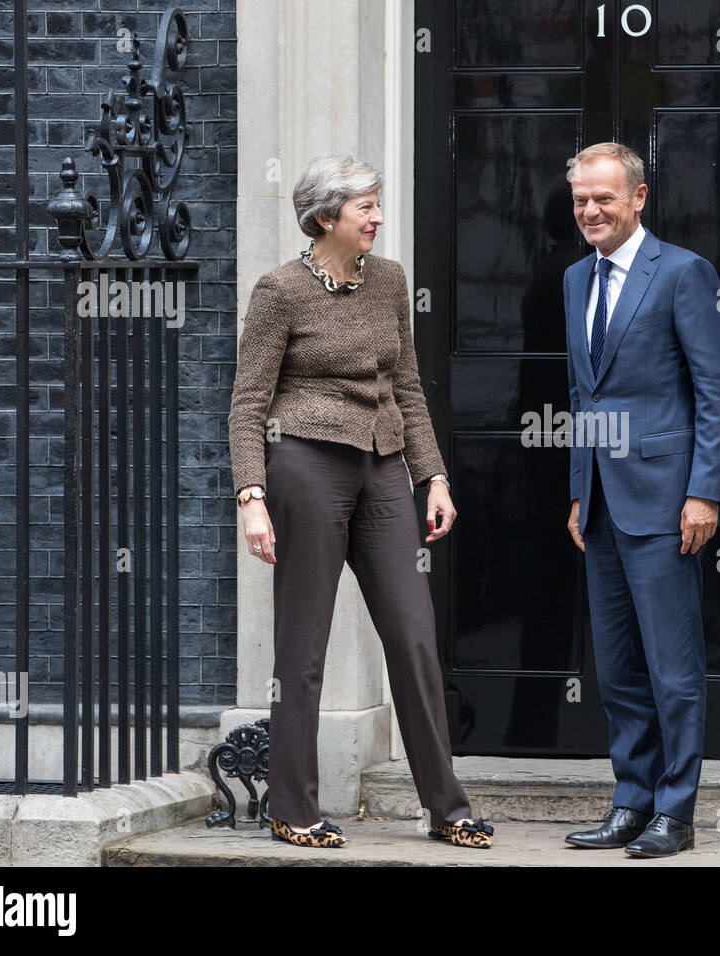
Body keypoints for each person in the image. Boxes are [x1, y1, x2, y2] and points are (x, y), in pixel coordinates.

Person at [227, 155, 492, 850]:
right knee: (304, 643)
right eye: (365, 207)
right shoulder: (279, 291)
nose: (377, 216)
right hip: (305, 464)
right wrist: (251, 496)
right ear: (325, 218)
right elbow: (248, 402)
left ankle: (446, 806)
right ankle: (290, 804)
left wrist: (432, 477)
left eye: (377, 205)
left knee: (412, 634)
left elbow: (408, 384)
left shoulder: (391, 281)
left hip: (382, 467)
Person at [561, 143, 720, 857]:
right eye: (580, 199)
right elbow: (584, 395)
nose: (590, 211)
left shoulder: (683, 273)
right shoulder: (576, 279)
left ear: (639, 198)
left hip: (668, 502)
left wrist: (704, 492)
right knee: (617, 669)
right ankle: (631, 801)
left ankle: (677, 810)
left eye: (603, 198)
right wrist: (580, 490)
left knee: (673, 668)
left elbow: (719, 391)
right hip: (603, 505)